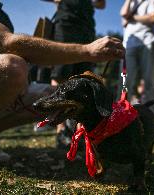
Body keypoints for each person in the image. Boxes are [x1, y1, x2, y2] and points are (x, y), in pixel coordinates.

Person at [0, 0, 124, 186]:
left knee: (54, 96)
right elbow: (8, 43)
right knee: (11, 67)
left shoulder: (0, 12)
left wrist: (19, 84)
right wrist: (87, 50)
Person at [43, 0, 106, 149]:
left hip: (86, 25)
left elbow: (101, 4)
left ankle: (80, 130)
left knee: (83, 77)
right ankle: (61, 129)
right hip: (65, 21)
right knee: (61, 74)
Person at [120, 0, 154, 107]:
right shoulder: (129, 4)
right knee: (124, 82)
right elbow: (123, 15)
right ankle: (121, 115)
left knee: (149, 82)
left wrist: (133, 18)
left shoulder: (150, 1)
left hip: (147, 42)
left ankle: (151, 117)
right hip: (128, 46)